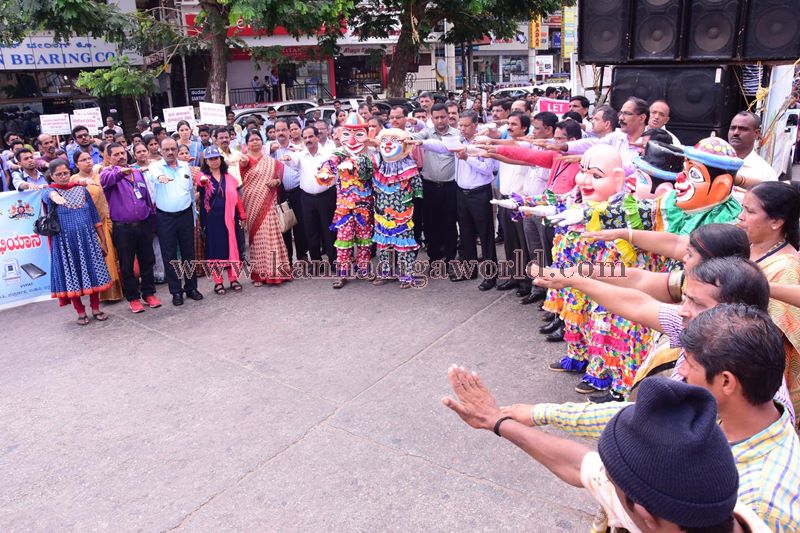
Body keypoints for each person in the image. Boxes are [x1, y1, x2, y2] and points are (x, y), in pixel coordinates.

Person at [500, 304, 798, 532]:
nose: (680, 371)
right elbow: (589, 463)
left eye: (689, 364)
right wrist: (530, 416)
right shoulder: (726, 414)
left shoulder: (762, 502)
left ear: (726, 382)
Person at [443, 367, 770, 532]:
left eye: (612, 480)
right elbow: (578, 464)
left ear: (645, 516)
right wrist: (497, 422)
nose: (603, 477)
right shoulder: (703, 505)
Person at [417, 111, 498, 289]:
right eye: (460, 125)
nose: (462, 128)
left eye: (466, 125)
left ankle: (491, 275)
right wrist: (421, 143)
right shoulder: (458, 140)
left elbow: (488, 169)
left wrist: (467, 158)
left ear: (475, 125)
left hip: (479, 193)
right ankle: (469, 270)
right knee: (466, 234)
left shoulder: (483, 143)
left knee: (485, 235)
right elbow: (440, 146)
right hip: (461, 192)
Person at [738, 181, 800, 413]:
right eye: (743, 208)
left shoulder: (787, 268)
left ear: (776, 222)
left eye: (750, 211)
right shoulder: (745, 244)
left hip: (755, 371)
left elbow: (776, 334)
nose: (741, 216)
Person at [44, 159, 113, 325]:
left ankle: (95, 308)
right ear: (52, 176)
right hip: (65, 244)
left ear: (70, 173)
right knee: (72, 276)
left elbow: (95, 218)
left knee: (94, 273)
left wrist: (103, 240)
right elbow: (48, 195)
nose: (63, 176)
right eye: (58, 174)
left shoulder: (82, 190)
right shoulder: (49, 192)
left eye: (65, 173)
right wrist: (55, 196)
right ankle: (80, 312)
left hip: (88, 240)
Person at [315, 113, 375, 288]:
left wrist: (358, 163)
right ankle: (342, 273)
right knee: (343, 240)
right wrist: (325, 173)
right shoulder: (339, 154)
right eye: (348, 134)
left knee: (365, 239)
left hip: (364, 206)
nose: (353, 140)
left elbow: (374, 173)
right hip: (344, 208)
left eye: (359, 134)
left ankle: (363, 269)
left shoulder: (371, 155)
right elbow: (328, 165)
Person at [148, 138, 203, 306]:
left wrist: (194, 215)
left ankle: (191, 288)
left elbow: (191, 192)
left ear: (177, 150)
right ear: (161, 151)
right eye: (166, 149)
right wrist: (161, 177)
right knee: (169, 255)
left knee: (189, 253)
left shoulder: (184, 166)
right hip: (165, 217)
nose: (170, 152)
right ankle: (176, 291)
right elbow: (155, 177)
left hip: (185, 215)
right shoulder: (155, 167)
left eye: (173, 149)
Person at [71, 150, 124, 302]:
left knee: (116, 256)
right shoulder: (74, 180)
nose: (88, 161)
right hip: (90, 225)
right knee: (102, 258)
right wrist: (84, 182)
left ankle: (123, 289)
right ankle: (104, 293)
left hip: (108, 219)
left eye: (89, 158)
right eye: (83, 160)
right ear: (76, 164)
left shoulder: (100, 175)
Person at [240, 130, 291, 285]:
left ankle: (277, 271)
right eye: (251, 140)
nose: (255, 142)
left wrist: (276, 182)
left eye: (257, 139)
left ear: (262, 142)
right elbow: (242, 165)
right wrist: (242, 159)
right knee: (256, 238)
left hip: (269, 200)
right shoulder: (244, 160)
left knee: (271, 234)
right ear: (247, 144)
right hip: (251, 203)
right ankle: (259, 274)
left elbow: (278, 179)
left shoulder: (270, 161)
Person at [412, 103, 458, 272]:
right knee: (431, 224)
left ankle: (451, 258)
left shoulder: (457, 135)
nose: (440, 121)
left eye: (443, 117)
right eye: (436, 117)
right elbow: (414, 136)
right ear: (431, 118)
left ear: (448, 117)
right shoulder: (426, 133)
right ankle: (435, 259)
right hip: (429, 186)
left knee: (450, 223)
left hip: (450, 187)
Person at [283, 126, 336, 267]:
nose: (308, 140)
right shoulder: (300, 155)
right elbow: (292, 161)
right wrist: (288, 158)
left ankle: (333, 260)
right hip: (307, 198)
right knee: (311, 230)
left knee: (329, 230)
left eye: (311, 136)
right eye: (305, 137)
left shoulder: (328, 154)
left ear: (317, 137)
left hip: (327, 196)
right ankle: (316, 262)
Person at [197, 146, 246, 294]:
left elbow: (237, 198)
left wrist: (242, 215)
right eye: (210, 159)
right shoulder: (203, 177)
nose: (214, 161)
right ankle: (218, 282)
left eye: (216, 158)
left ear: (221, 159)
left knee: (232, 248)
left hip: (230, 219)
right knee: (215, 250)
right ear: (206, 161)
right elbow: (200, 182)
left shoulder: (229, 177)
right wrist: (203, 181)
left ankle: (233, 279)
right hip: (212, 221)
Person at [728, 111, 777, 182]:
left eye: (743, 129)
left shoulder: (766, 174)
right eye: (732, 128)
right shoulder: (715, 160)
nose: (735, 133)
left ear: (756, 134)